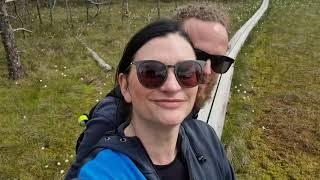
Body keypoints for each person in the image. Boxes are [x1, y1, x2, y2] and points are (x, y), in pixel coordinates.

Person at [66, 19, 234, 179]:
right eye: (151, 72)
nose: (172, 86)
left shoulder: (206, 136)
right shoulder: (103, 169)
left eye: (187, 71)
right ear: (124, 86)